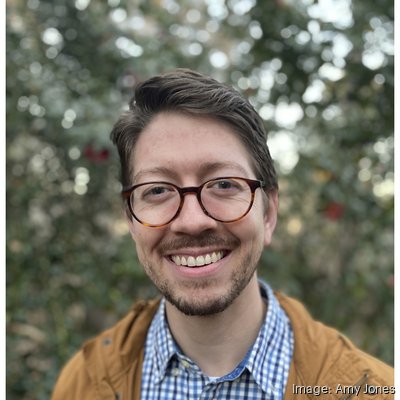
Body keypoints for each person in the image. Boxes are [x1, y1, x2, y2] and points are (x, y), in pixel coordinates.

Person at [52, 69, 394, 399]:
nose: (192, 221)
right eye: (157, 190)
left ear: (268, 213)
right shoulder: (83, 384)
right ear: (131, 220)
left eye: (224, 184)